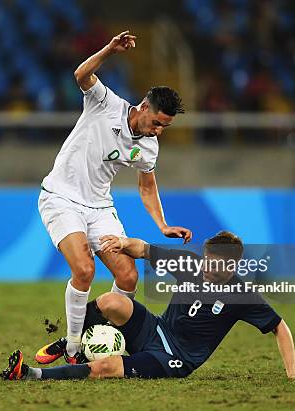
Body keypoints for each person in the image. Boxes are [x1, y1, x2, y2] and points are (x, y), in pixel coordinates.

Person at [36, 30, 191, 364]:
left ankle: (90, 335)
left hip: (100, 207)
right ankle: (76, 350)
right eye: (157, 122)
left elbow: (147, 187)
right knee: (84, 270)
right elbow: (81, 75)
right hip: (61, 197)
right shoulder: (106, 103)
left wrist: (162, 225)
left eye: (165, 127)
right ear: (144, 107)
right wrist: (109, 49)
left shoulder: (149, 146)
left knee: (128, 276)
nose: (158, 131)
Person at [1, 231, 295, 381]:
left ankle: (31, 374)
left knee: (108, 366)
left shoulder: (242, 295)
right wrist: (124, 244)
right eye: (206, 259)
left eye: (215, 264)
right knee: (113, 301)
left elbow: (279, 326)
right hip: (156, 328)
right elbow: (145, 249)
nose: (206, 267)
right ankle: (72, 341)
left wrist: (292, 373)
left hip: (175, 359)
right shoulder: (191, 264)